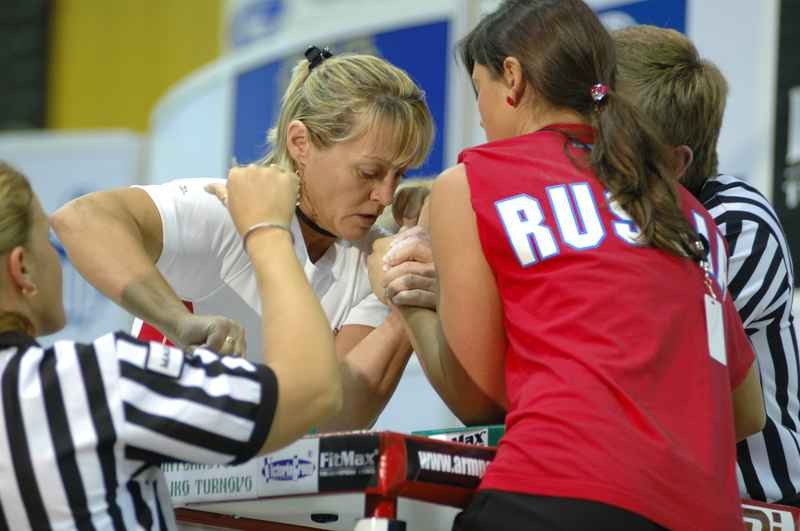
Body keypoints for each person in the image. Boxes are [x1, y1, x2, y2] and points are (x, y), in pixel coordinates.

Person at [377, 1, 766, 530]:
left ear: (511, 78)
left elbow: (480, 399)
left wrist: (409, 297)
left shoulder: (474, 182)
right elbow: (747, 412)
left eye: (479, 91)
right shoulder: (685, 211)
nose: (483, 116)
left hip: (555, 495)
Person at [51, 49, 435, 431]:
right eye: (368, 173)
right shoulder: (225, 211)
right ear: (300, 142)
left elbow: (331, 420)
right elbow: (81, 219)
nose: (385, 196)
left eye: (399, 175)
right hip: (162, 482)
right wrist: (177, 323)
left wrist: (408, 294)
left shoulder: (375, 256)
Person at [0, 161, 342, 529]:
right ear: (22, 270)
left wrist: (178, 322)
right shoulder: (94, 381)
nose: (56, 258)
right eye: (46, 243)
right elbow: (310, 392)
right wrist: (267, 231)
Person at [613, 25, 800, 506]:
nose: (584, 148)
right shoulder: (589, 217)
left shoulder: (736, 222)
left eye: (610, 138)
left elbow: (650, 364)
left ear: (674, 164)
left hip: (756, 504)